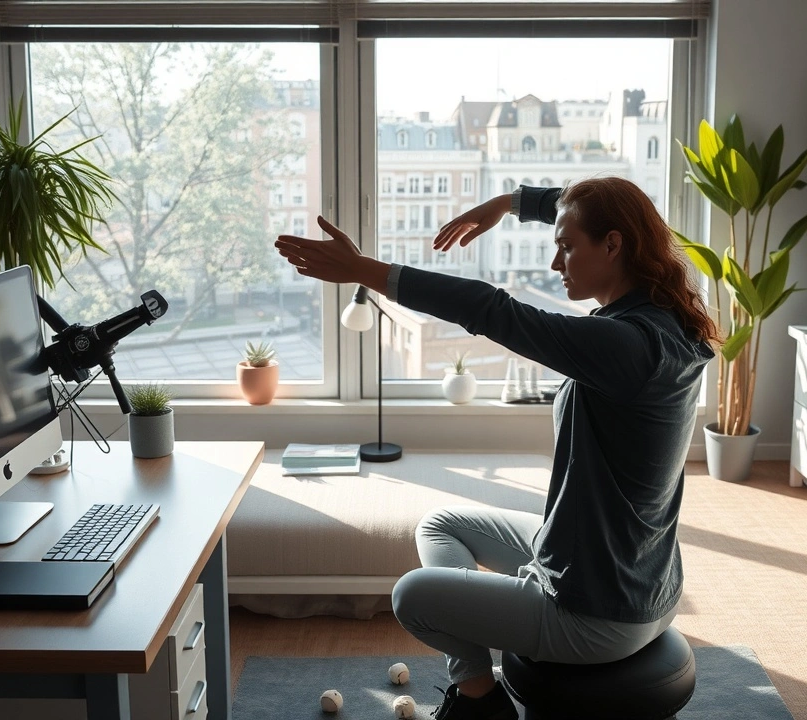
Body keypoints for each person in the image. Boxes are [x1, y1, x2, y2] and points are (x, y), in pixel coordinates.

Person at [274, 178, 718, 720]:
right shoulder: (664, 316)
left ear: (613, 245)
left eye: (566, 246)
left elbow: (492, 310)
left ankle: (480, 700)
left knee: (412, 596)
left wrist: (366, 270)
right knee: (441, 525)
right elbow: (593, 206)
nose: (555, 262)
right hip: (640, 579)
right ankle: (481, 679)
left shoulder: (625, 347)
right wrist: (511, 203)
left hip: (598, 614)